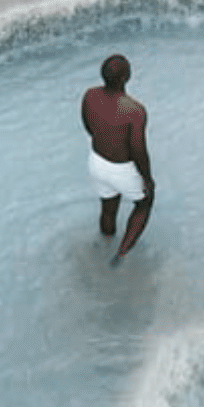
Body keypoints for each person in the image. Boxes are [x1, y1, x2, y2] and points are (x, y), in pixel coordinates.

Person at [82, 53, 154, 260]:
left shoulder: (90, 95)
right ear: (125, 78)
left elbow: (88, 126)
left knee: (108, 207)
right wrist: (147, 179)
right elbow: (138, 149)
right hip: (122, 168)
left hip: (96, 162)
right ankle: (120, 255)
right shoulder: (135, 111)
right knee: (144, 203)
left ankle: (104, 243)